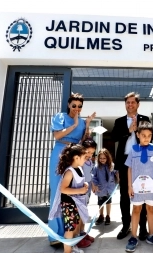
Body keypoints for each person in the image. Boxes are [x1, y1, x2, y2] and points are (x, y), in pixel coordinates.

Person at [48, 93, 96, 245]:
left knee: (75, 192)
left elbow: (83, 141)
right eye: (74, 105)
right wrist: (74, 125)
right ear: (69, 105)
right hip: (59, 153)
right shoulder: (60, 117)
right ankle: (56, 235)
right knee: (57, 192)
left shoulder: (81, 122)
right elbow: (57, 136)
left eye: (79, 106)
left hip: (75, 157)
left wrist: (86, 124)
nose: (77, 108)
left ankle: (74, 233)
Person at [111, 92, 151, 240]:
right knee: (124, 195)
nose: (130, 105)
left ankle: (142, 228)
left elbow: (149, 137)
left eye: (133, 102)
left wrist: (137, 131)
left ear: (138, 104)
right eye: (128, 102)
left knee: (142, 194)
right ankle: (126, 225)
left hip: (142, 160)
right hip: (124, 161)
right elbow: (114, 137)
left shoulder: (145, 119)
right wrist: (128, 132)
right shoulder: (119, 121)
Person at [125, 121, 153, 252]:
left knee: (151, 209)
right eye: (143, 135)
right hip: (137, 187)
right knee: (136, 210)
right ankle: (133, 237)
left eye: (149, 135)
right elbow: (130, 169)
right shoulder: (133, 150)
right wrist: (129, 186)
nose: (146, 138)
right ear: (137, 135)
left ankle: (151, 235)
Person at [48, 144, 89, 253]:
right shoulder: (70, 172)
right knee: (70, 229)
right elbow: (63, 189)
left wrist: (84, 185)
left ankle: (72, 247)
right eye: (84, 157)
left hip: (76, 203)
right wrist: (80, 190)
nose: (86, 159)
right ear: (76, 158)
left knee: (74, 226)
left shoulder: (79, 169)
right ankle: (67, 251)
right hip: (69, 204)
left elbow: (78, 182)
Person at [78, 138, 97, 246]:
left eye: (92, 152)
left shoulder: (89, 161)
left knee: (84, 212)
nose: (90, 154)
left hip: (88, 188)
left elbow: (90, 174)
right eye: (88, 152)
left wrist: (93, 185)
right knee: (81, 213)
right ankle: (79, 237)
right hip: (81, 190)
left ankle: (83, 232)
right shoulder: (80, 161)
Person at [92, 148, 119, 225]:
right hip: (100, 188)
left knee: (108, 202)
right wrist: (95, 184)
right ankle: (101, 215)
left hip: (109, 188)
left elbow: (116, 172)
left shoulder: (112, 165)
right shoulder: (96, 167)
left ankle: (108, 216)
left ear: (108, 158)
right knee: (100, 202)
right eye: (100, 158)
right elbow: (94, 176)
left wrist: (118, 176)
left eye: (104, 158)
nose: (102, 160)